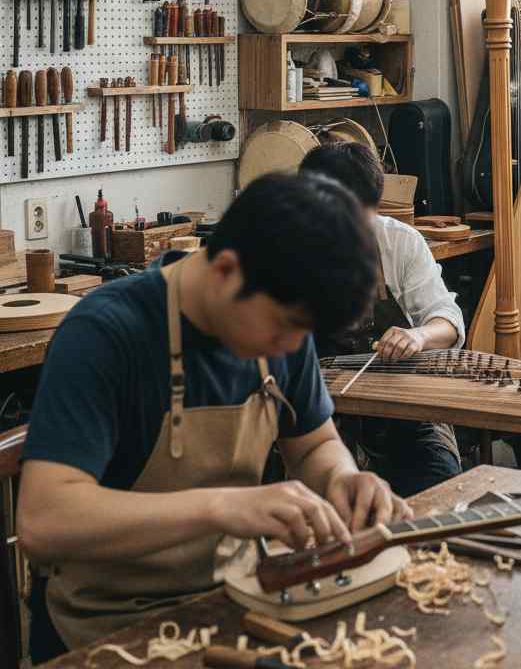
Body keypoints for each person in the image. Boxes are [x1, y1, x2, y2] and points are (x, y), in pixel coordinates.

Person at [18, 173, 412, 661]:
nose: (293, 346)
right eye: (287, 327)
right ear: (226, 271)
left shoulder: (284, 319)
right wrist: (220, 507)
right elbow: (44, 520)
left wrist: (344, 478)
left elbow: (313, 444)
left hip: (235, 601)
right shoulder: (105, 334)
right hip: (108, 627)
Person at [299, 142, 463, 495]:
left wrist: (418, 336)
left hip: (401, 409)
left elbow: (447, 320)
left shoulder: (400, 242)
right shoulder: (285, 249)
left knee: (442, 492)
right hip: (316, 411)